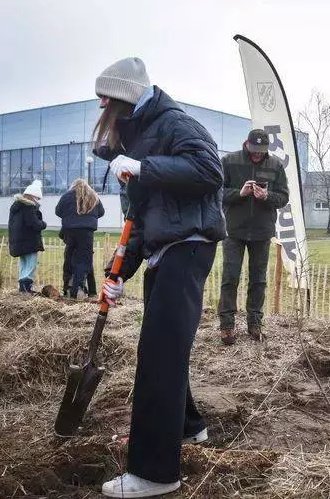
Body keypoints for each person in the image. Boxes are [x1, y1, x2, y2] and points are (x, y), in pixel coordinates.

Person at [91, 57, 226, 498]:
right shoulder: (139, 134)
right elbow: (141, 219)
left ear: (124, 97)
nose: (101, 112)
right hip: (164, 250)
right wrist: (120, 273)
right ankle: (189, 427)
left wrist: (145, 168)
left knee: (158, 356)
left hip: (187, 247)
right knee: (165, 347)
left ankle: (154, 474)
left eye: (104, 101)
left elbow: (210, 171)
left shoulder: (174, 122)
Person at [217, 129, 289, 344]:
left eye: (262, 151)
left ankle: (255, 323)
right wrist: (239, 193)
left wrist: (267, 196)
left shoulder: (275, 165)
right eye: (254, 150)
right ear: (245, 143)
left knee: (258, 280)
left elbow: (283, 197)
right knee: (230, 277)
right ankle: (227, 326)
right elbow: (216, 191)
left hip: (262, 231)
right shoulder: (229, 161)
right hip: (234, 230)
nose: (257, 155)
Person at [56, 179, 105, 298]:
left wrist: (70, 216)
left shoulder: (67, 195)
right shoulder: (93, 195)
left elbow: (58, 211)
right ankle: (78, 288)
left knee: (69, 257)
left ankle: (67, 287)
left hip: (69, 230)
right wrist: (88, 216)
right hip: (86, 232)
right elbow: (101, 212)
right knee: (84, 260)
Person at [8, 179, 46, 293]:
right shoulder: (28, 207)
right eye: (38, 198)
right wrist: (43, 224)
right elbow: (34, 224)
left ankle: (22, 288)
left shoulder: (16, 206)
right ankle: (26, 288)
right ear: (33, 196)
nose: (38, 200)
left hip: (18, 241)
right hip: (29, 242)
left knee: (23, 264)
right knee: (30, 264)